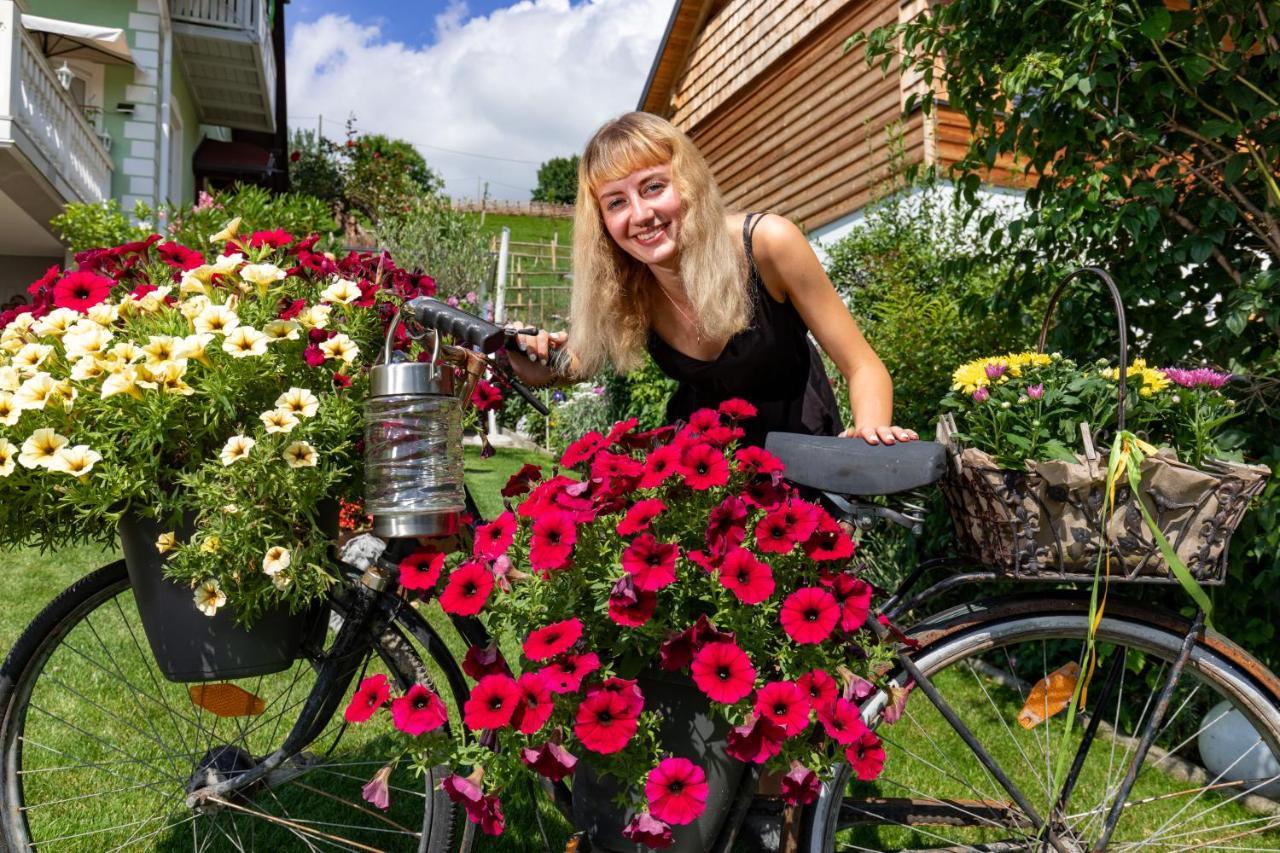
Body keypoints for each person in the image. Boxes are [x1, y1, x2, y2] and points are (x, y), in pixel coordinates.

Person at [507, 111, 918, 448]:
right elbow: (574, 364)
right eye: (616, 202)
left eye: (653, 187)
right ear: (601, 221)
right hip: (699, 466)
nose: (640, 214)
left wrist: (869, 434)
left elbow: (864, 366)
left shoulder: (767, 244)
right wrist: (531, 352)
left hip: (800, 451)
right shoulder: (631, 278)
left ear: (687, 183)